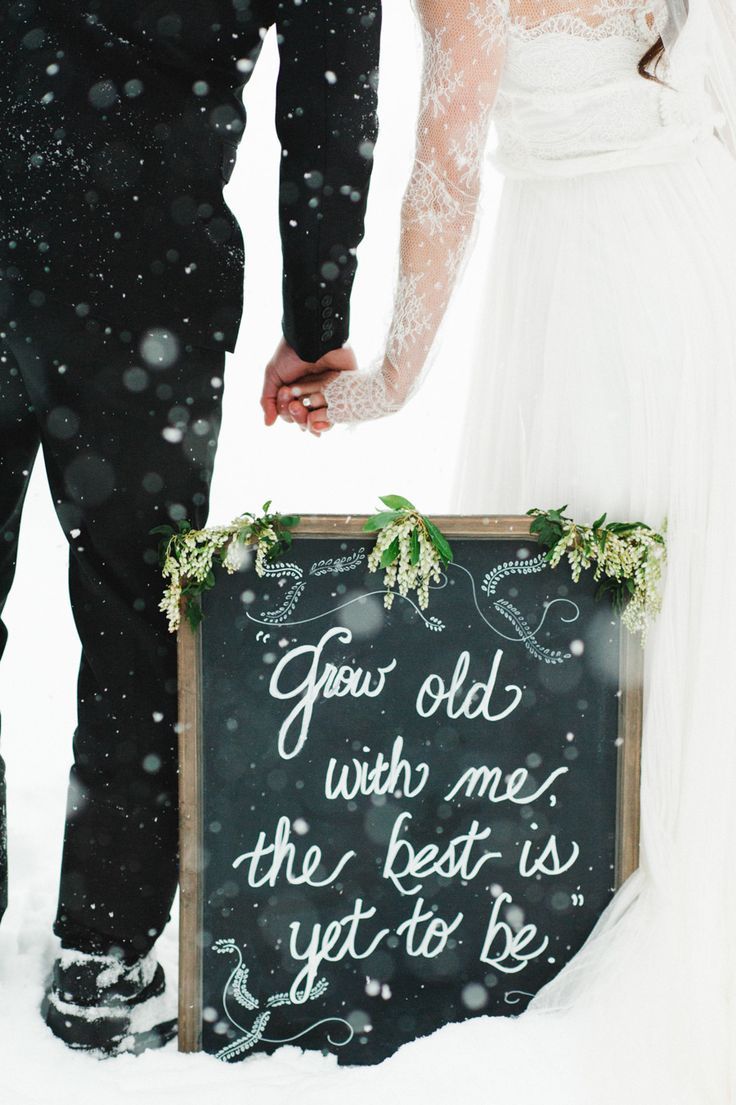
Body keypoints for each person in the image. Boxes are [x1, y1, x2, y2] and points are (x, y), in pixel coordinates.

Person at [275, 1, 736, 1101]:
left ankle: (582, 882)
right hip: (694, 247)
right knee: (681, 575)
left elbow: (443, 177)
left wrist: (388, 380)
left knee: (578, 587)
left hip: (590, 290)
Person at [0, 0, 381, 1055]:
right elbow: (328, 102)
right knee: (136, 623)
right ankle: (105, 963)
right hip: (140, 278)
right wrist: (316, 321)